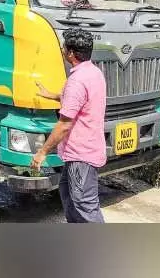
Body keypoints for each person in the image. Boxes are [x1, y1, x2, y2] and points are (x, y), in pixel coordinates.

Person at [30, 28, 107, 223]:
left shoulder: (77, 81)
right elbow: (79, 99)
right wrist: (52, 94)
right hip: (84, 151)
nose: (62, 50)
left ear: (71, 53)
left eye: (64, 47)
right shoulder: (93, 72)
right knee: (68, 195)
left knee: (85, 205)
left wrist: (42, 152)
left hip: (82, 155)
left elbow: (64, 124)